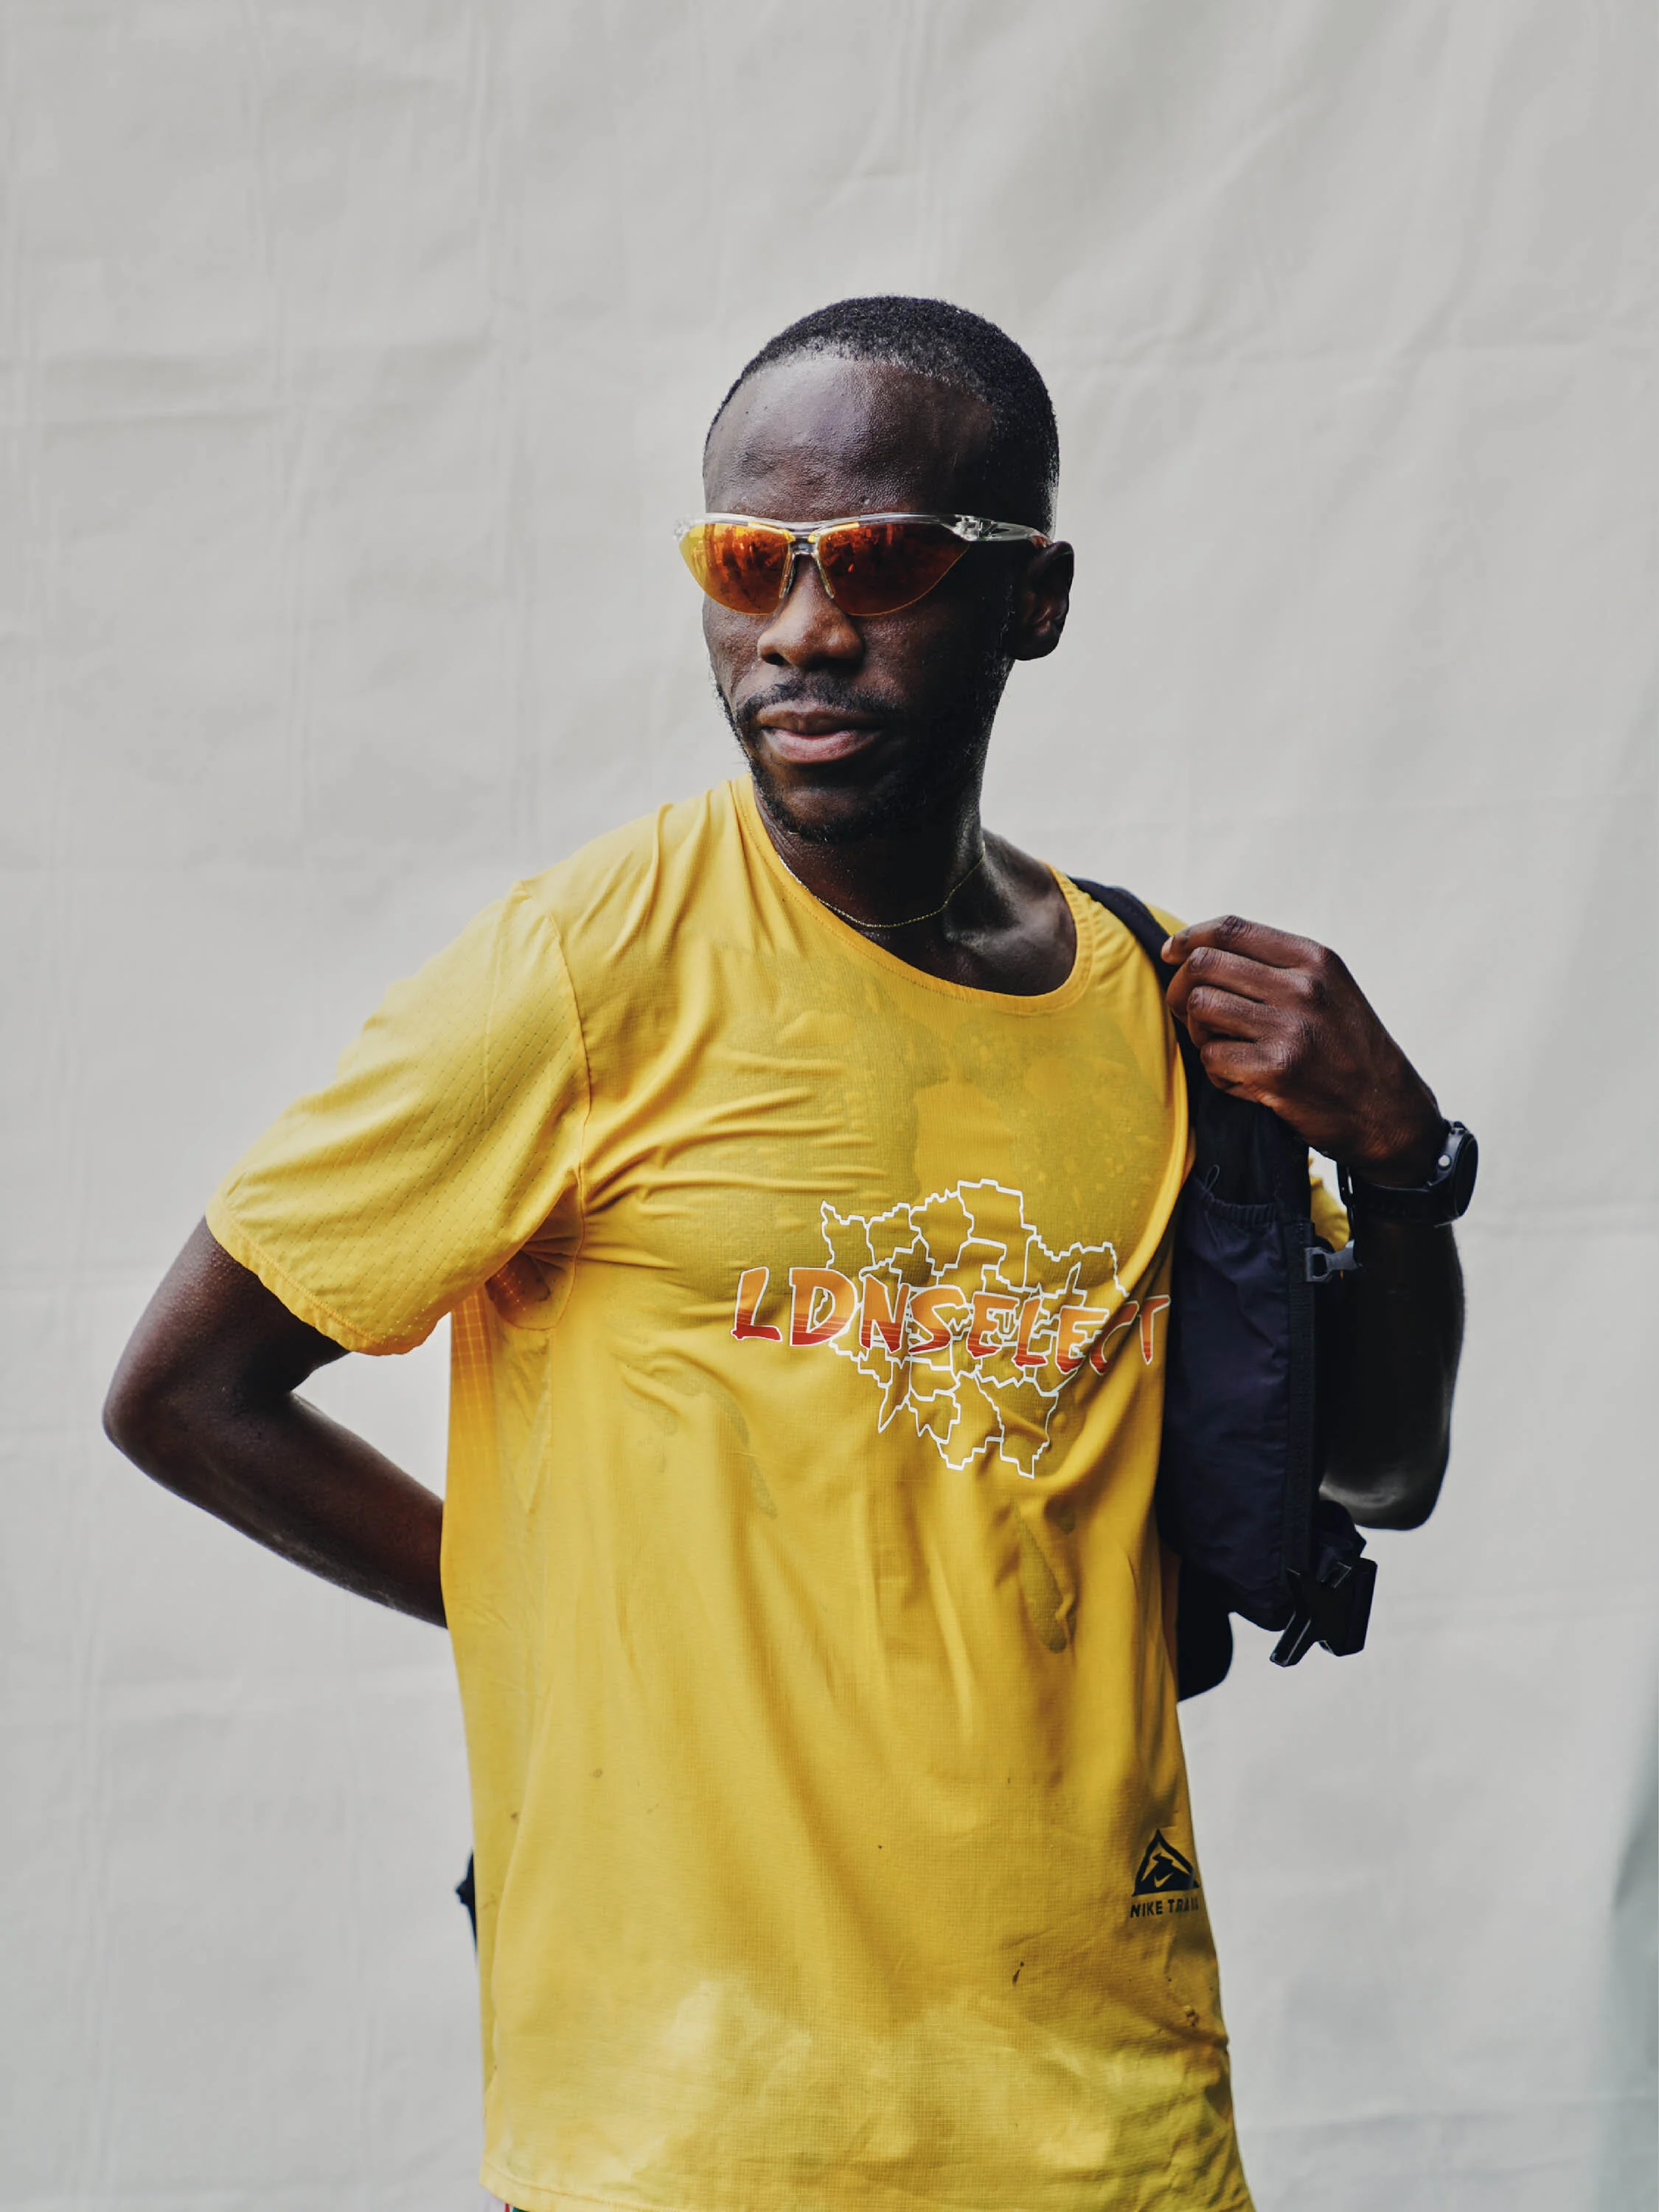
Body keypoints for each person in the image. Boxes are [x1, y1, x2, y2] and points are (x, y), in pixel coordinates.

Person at [105, 296, 1465, 2212]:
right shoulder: (591, 969)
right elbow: (185, 1395)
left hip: (1104, 2110)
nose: (803, 629)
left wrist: (1407, 1165)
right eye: (751, 562)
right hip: (689, 2121)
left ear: (1037, 600)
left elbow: (1380, 1471)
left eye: (887, 561)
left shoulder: (1148, 1011)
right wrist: (547, 1620)